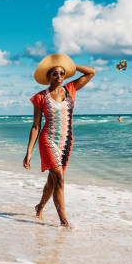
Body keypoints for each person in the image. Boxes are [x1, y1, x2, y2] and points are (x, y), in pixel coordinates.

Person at [23, 54, 95, 227]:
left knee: (52, 180)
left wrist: (71, 66)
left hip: (66, 141)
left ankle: (39, 206)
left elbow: (91, 72)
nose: (59, 76)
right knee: (59, 178)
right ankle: (64, 222)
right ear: (48, 76)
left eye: (62, 73)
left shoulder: (71, 88)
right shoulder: (40, 97)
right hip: (47, 139)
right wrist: (29, 152)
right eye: (55, 73)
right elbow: (35, 126)